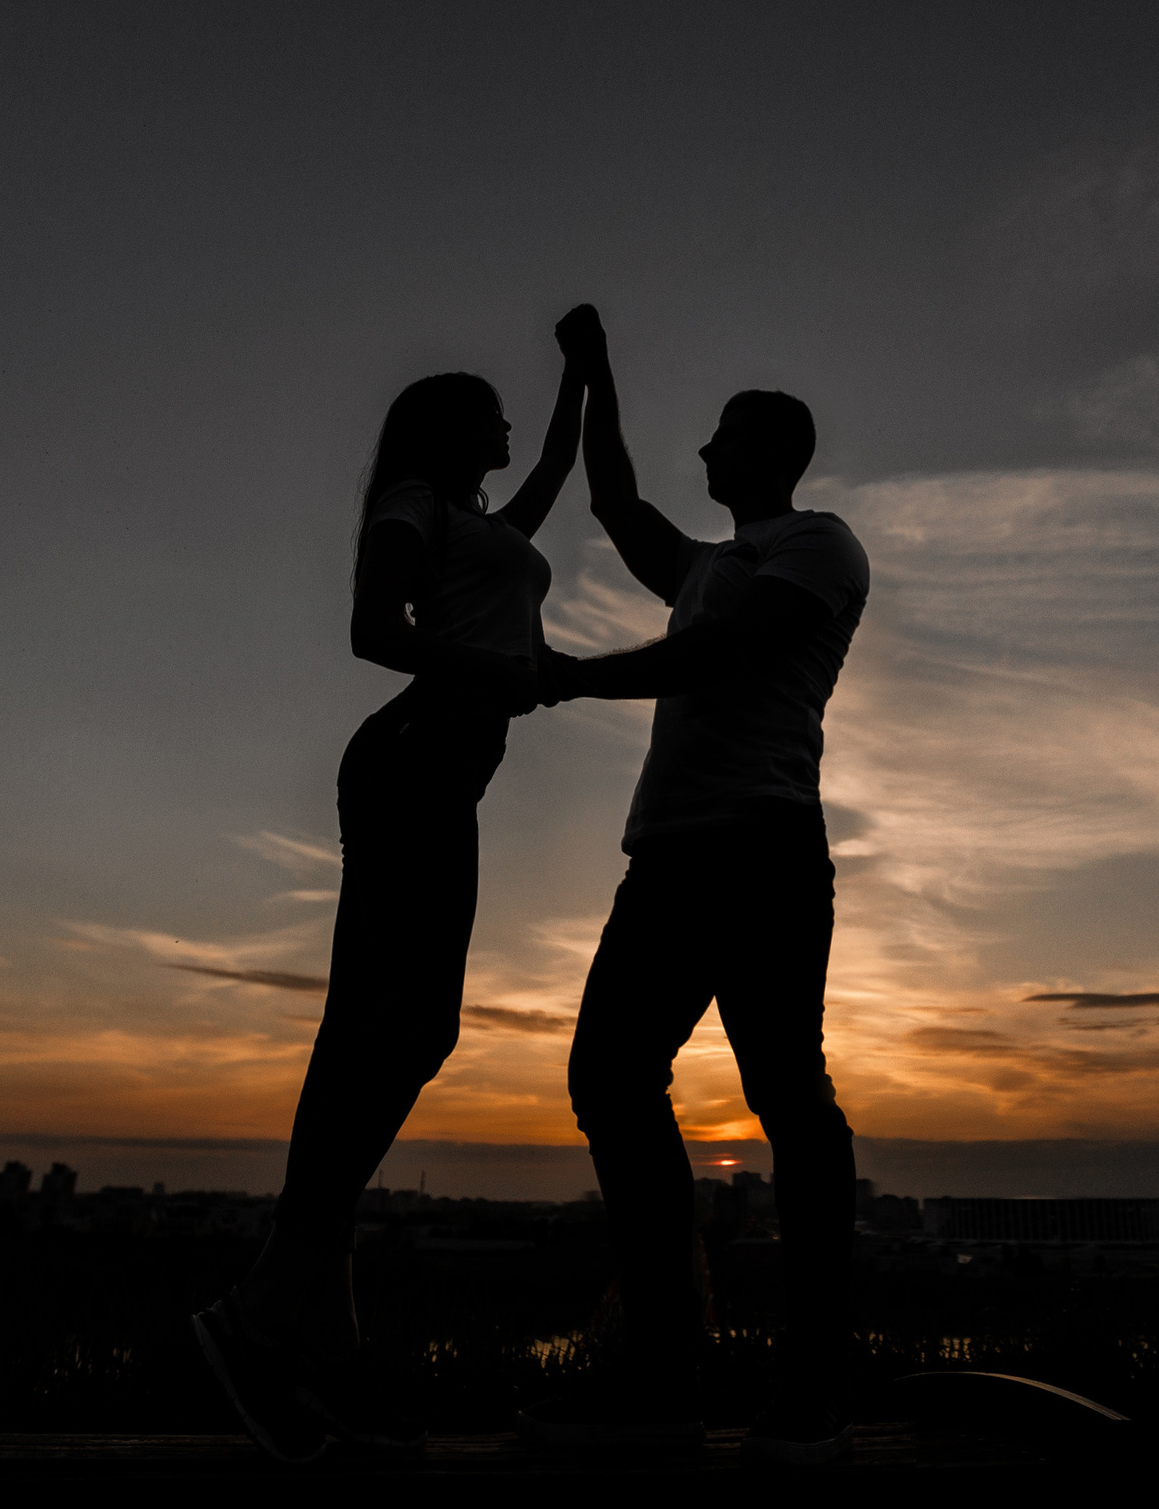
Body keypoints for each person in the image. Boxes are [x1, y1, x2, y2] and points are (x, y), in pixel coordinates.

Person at [192, 342, 584, 1463]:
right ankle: (270, 1306)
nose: (509, 439)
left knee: (367, 1034)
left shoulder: (485, 521)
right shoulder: (415, 502)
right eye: (493, 421)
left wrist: (583, 368)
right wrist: (496, 673)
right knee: (414, 1028)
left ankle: (315, 1326)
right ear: (453, 430)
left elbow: (551, 464)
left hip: (442, 769)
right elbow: (372, 629)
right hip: (415, 758)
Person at [521, 304, 868, 1466]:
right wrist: (594, 371)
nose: (704, 453)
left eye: (721, 438)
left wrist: (571, 677)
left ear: (763, 452)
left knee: (787, 1100)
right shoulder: (706, 564)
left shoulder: (816, 546)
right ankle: (670, 1373)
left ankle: (816, 1374)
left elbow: (719, 652)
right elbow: (615, 502)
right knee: (609, 1078)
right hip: (667, 858)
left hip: (760, 850)